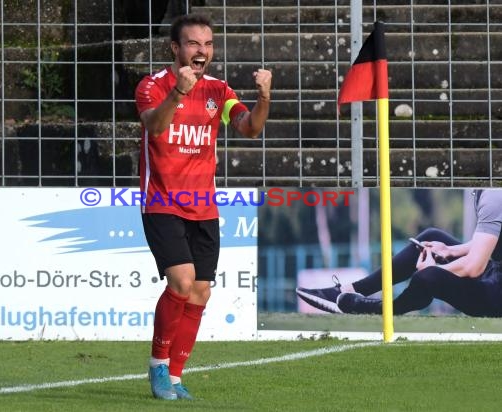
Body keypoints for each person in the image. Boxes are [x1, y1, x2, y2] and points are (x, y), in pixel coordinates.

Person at [135, 13, 271, 400]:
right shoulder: (153, 85)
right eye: (194, 44)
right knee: (179, 282)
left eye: (208, 44)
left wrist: (264, 97)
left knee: (199, 293)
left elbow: (249, 128)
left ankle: (176, 377)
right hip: (161, 201)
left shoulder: (218, 90)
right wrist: (178, 93)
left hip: (204, 207)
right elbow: (155, 127)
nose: (202, 51)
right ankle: (158, 366)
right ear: (176, 48)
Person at [296, 189, 502, 317]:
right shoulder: (490, 190)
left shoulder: (494, 195)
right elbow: (490, 240)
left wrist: (434, 270)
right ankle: (345, 291)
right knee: (428, 238)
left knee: (428, 276)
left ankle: (378, 308)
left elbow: (474, 267)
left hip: (496, 295)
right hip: (495, 273)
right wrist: (450, 250)